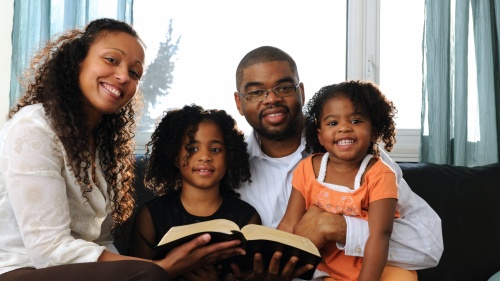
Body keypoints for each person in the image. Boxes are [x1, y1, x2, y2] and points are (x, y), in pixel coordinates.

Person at [0, 18, 243, 281]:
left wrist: (159, 268)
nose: (124, 76)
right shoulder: (34, 127)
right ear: (78, 60)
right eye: (112, 60)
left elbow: (102, 242)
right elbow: (49, 251)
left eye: (135, 72)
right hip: (22, 270)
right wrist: (163, 268)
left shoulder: (102, 146)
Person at [232, 46, 443, 279]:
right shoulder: (227, 168)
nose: (271, 98)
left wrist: (335, 226)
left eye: (284, 87)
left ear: (301, 92)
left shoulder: (360, 156)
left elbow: (429, 246)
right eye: (255, 92)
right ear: (239, 103)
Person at [278, 81, 416, 280]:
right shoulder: (307, 169)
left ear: (374, 131)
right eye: (333, 123)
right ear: (321, 135)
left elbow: (380, 236)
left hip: (377, 268)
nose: (344, 128)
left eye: (356, 121)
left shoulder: (381, 175)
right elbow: (289, 223)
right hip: (328, 270)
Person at [128, 104, 261, 280]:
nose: (205, 157)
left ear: (229, 157)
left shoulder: (246, 217)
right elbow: (136, 276)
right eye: (192, 149)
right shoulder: (151, 215)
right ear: (174, 157)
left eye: (215, 149)